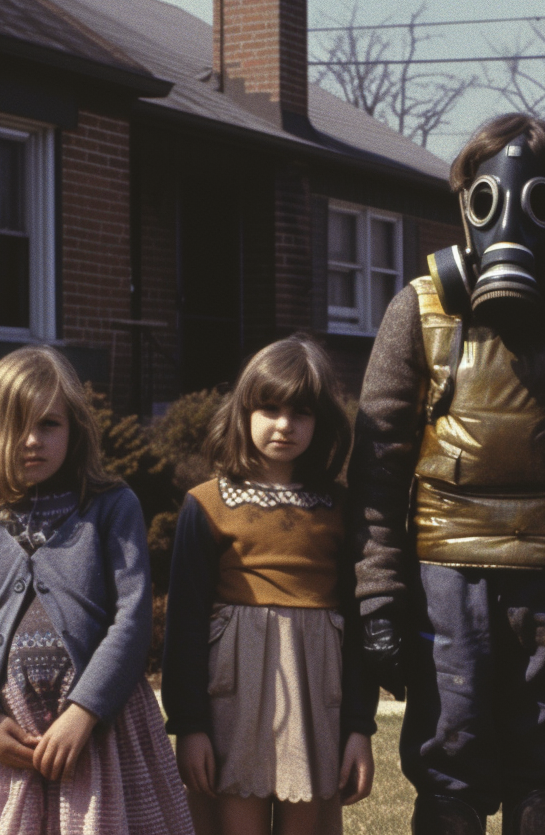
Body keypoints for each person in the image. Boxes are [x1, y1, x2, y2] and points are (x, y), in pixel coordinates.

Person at [349, 114, 545, 835]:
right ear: (466, 207)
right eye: (489, 199)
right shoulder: (420, 312)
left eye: (538, 199)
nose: (512, 216)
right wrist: (379, 598)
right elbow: (377, 472)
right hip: (448, 585)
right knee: (448, 764)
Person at [0, 345, 192, 835]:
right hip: (8, 725)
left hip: (101, 728)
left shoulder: (112, 506)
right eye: (16, 426)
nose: (31, 440)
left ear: (74, 428)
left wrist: (84, 712)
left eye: (48, 424)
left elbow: (132, 620)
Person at [162, 336, 376, 835]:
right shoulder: (206, 506)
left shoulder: (342, 510)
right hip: (232, 695)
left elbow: (362, 622)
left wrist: (359, 728)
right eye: (270, 408)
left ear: (321, 421)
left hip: (315, 692)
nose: (284, 425)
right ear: (244, 412)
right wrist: (189, 726)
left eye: (301, 412)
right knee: (237, 815)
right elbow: (185, 625)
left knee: (307, 817)